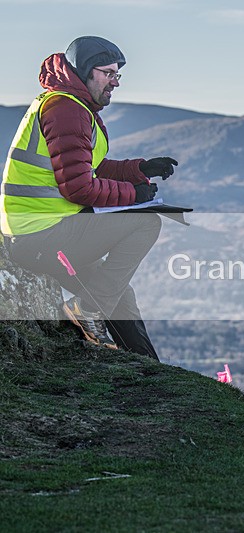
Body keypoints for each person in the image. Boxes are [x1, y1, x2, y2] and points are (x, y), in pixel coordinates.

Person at [1, 36, 179, 360]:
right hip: (38, 235)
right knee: (146, 224)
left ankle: (147, 367)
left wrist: (139, 169)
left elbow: (89, 166)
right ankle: (84, 311)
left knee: (119, 292)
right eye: (108, 73)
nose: (115, 82)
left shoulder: (72, 105)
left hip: (45, 230)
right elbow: (79, 188)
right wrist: (134, 195)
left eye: (117, 75)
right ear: (85, 71)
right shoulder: (65, 110)